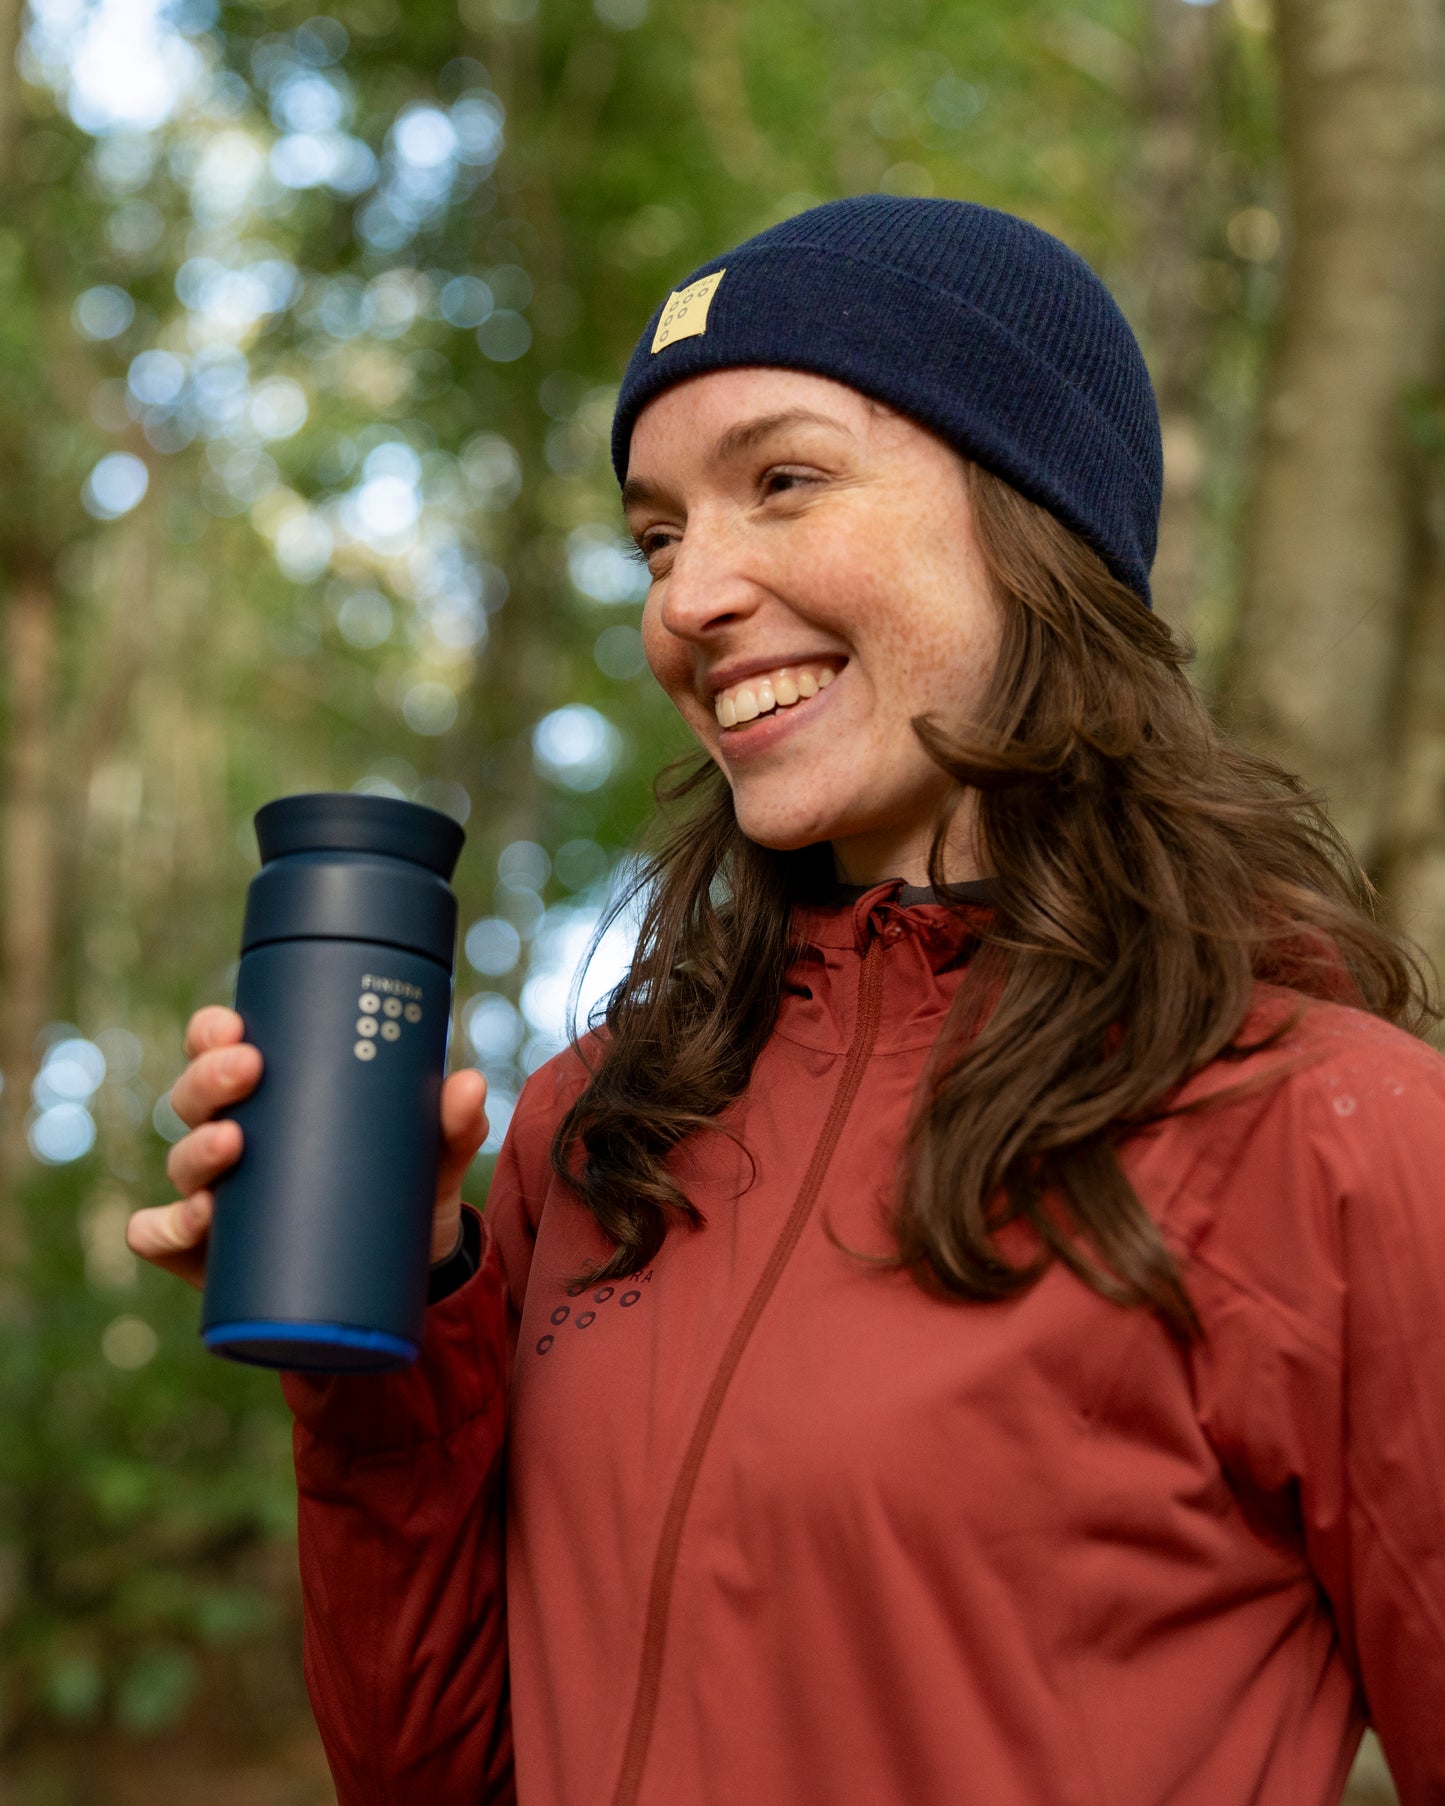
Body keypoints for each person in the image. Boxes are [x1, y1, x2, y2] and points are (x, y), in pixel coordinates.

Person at [127, 197, 1445, 1806]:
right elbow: (430, 1771)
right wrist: (391, 1342)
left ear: (1037, 520)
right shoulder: (599, 1126)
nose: (687, 600)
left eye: (782, 481)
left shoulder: (1326, 1129)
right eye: (657, 535)